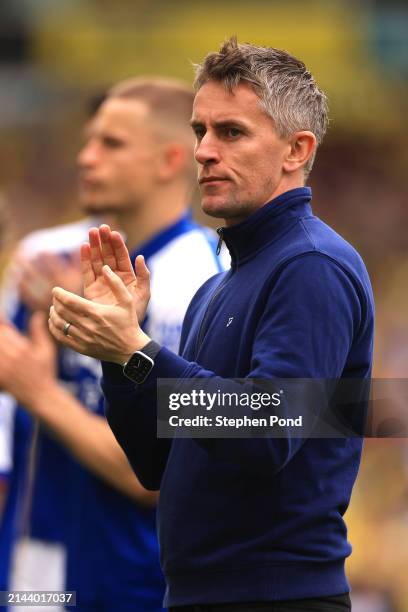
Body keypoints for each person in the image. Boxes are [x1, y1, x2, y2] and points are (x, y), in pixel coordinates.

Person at [48, 39, 374, 611]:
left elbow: (270, 431)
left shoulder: (310, 265)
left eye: (231, 132)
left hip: (275, 600)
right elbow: (155, 465)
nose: (203, 151)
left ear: (297, 150)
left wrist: (141, 352)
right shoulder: (220, 282)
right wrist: (119, 356)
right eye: (200, 130)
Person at [0, 77, 228, 611]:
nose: (85, 158)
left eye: (111, 144)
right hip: (35, 562)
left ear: (170, 160)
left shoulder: (203, 284)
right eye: (87, 141)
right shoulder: (45, 256)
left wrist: (42, 393)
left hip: (132, 578)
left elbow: (162, 473)